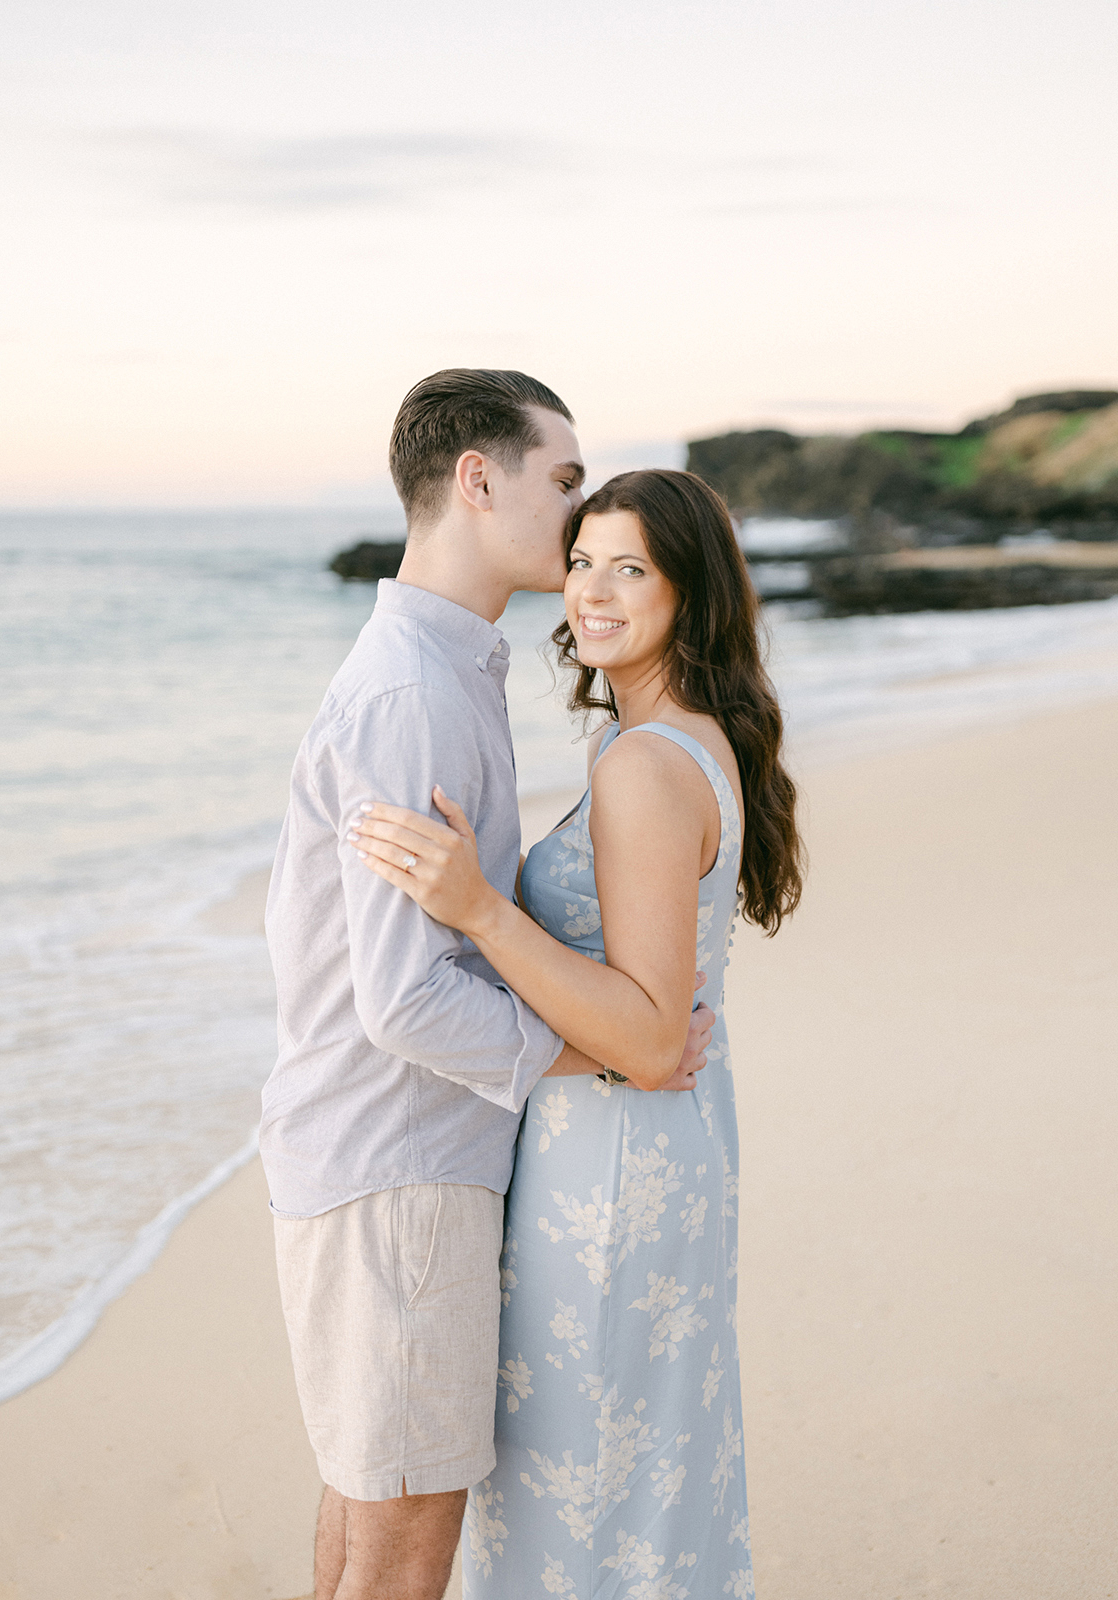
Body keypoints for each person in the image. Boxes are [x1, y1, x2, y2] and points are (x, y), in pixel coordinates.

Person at [260, 374, 715, 1600]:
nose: (577, 522)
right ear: (478, 478)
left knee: (373, 1508)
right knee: (403, 1548)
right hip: (401, 1158)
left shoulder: (447, 668)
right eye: (563, 480)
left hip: (380, 1151)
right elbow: (404, 997)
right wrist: (613, 1050)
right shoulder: (415, 688)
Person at [350, 468, 805, 1598]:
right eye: (584, 558)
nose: (591, 591)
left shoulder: (647, 768)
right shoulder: (669, 740)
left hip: (610, 1165)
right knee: (639, 1476)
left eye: (631, 567)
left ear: (690, 593)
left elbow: (651, 1038)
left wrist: (479, 910)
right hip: (646, 1153)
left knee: (586, 1486)